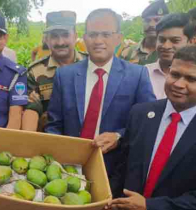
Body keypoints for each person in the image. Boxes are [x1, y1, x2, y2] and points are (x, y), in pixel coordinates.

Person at [106, 44, 196, 210]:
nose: (179, 84)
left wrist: (150, 206)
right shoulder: (140, 114)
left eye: (191, 79)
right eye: (175, 74)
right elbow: (122, 169)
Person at [45, 9, 156, 176]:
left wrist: (119, 136)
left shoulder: (136, 75)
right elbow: (54, 124)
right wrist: (59, 159)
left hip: (115, 169)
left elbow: (147, 123)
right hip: (67, 168)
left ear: (118, 38)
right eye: (92, 34)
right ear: (84, 37)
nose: (98, 41)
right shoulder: (65, 76)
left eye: (106, 34)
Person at [22, 11, 87, 132]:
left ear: (75, 36)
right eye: (54, 36)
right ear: (46, 40)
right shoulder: (35, 72)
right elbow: (31, 109)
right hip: (50, 139)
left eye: (65, 35)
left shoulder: (91, 64)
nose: (60, 42)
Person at [146, 13, 196, 113]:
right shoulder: (142, 74)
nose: (166, 46)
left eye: (175, 41)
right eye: (162, 40)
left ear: (192, 41)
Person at [120, 0, 168, 65]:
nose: (151, 24)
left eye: (157, 20)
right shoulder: (128, 53)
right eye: (147, 20)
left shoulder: (170, 53)